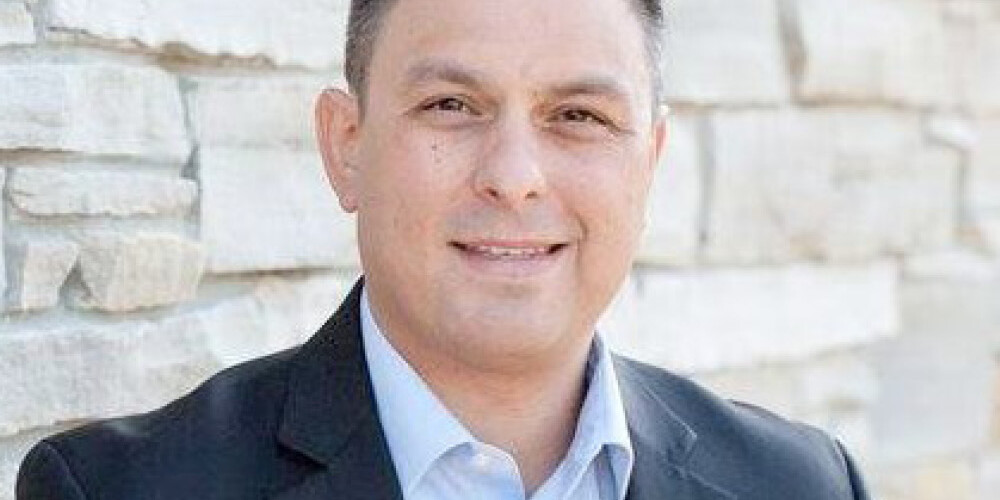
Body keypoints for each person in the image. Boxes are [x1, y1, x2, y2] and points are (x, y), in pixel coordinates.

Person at [16, 0, 870, 498]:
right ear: (346, 144)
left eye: (578, 115)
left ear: (647, 163)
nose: (514, 177)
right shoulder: (121, 491)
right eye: (452, 107)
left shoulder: (800, 485)